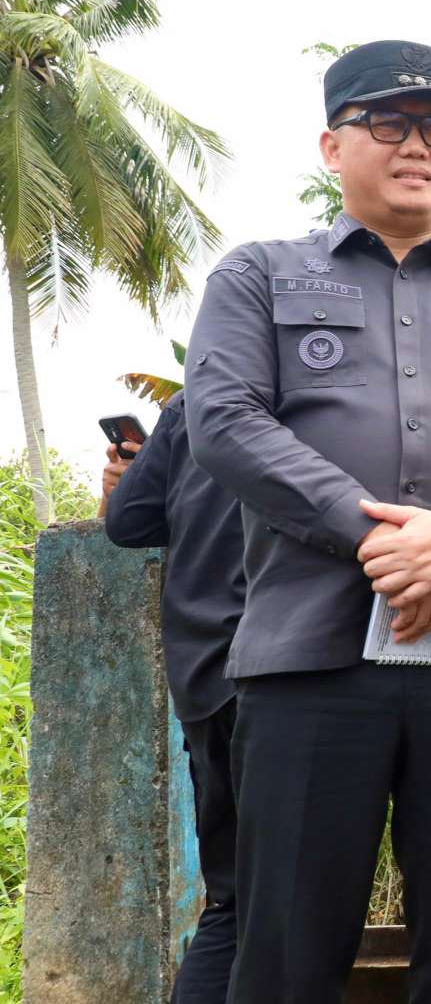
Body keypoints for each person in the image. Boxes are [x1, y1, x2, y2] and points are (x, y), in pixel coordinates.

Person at [185, 39, 431, 1003]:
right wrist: (375, 538)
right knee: (285, 952)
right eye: (389, 122)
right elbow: (225, 420)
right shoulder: (259, 275)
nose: (419, 144)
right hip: (309, 664)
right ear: (332, 144)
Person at [101, 395, 247, 1004]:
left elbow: (125, 520)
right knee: (291, 902)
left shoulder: (195, 402)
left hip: (206, 674)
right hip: (289, 669)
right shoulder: (334, 379)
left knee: (237, 902)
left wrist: (123, 481)